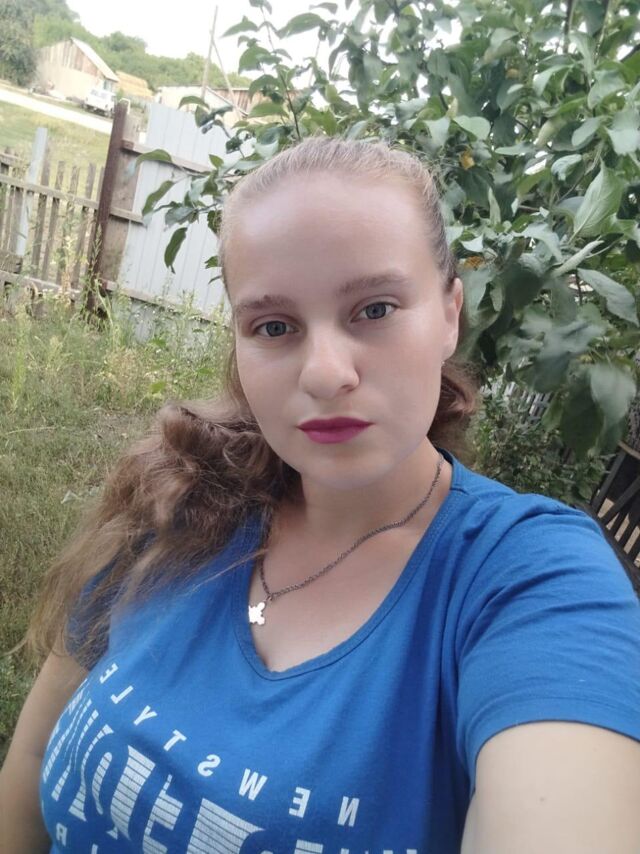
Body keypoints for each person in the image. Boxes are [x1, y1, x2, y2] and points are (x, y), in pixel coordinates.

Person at [1, 135, 640, 854]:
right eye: (274, 326)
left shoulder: (529, 581)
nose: (325, 373)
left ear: (449, 314)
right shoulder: (176, 501)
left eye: (375, 309)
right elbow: (32, 757)